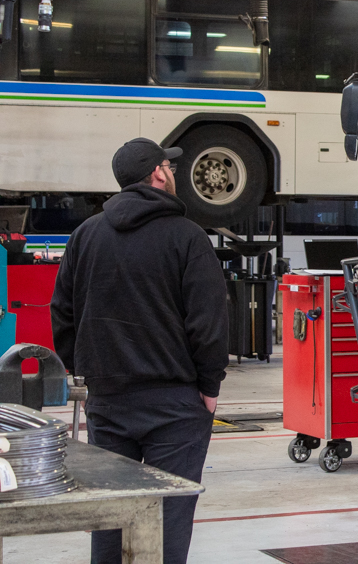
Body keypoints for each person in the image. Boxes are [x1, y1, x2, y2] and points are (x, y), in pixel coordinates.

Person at [51, 137, 229, 564]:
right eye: (169, 167)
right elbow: (208, 323)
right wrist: (209, 385)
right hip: (175, 404)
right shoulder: (188, 237)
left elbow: (63, 313)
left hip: (109, 401)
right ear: (157, 175)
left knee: (111, 515)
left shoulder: (85, 235)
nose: (173, 173)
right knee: (168, 518)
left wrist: (88, 374)